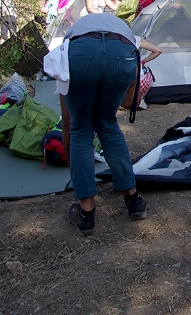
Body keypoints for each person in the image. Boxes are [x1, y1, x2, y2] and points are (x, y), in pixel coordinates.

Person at [61, 12, 148, 236]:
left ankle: (86, 213)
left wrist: (74, 173)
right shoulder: (124, 30)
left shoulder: (73, 35)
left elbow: (68, 124)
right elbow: (133, 99)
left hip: (80, 53)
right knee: (107, 124)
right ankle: (133, 200)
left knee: (81, 128)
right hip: (122, 53)